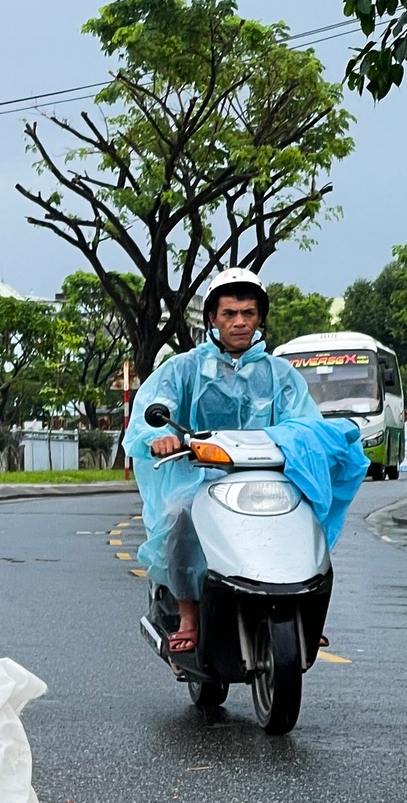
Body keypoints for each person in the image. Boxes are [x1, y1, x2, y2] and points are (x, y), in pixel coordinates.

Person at [123, 268, 366, 655]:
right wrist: (161, 438)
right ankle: (188, 614)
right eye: (229, 314)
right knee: (179, 515)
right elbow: (152, 412)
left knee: (306, 519)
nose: (240, 322)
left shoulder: (280, 373)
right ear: (213, 319)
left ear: (259, 318)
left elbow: (305, 421)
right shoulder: (183, 368)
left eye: (248, 313)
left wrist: (326, 438)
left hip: (269, 477)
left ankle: (303, 611)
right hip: (198, 478)